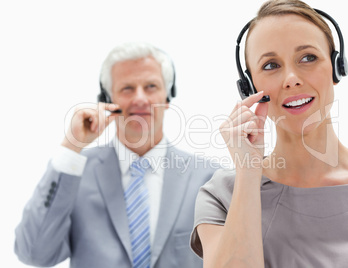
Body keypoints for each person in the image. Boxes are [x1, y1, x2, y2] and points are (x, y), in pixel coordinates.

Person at [190, 0, 348, 267]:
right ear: (250, 87)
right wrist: (248, 170)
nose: (291, 78)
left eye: (308, 58)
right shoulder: (223, 195)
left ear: (337, 67)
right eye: (270, 65)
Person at [15, 42, 218, 268]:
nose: (140, 98)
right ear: (108, 100)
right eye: (127, 88)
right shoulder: (75, 174)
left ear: (167, 97)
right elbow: (33, 253)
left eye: (151, 86)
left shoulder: (208, 178)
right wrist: (71, 147)